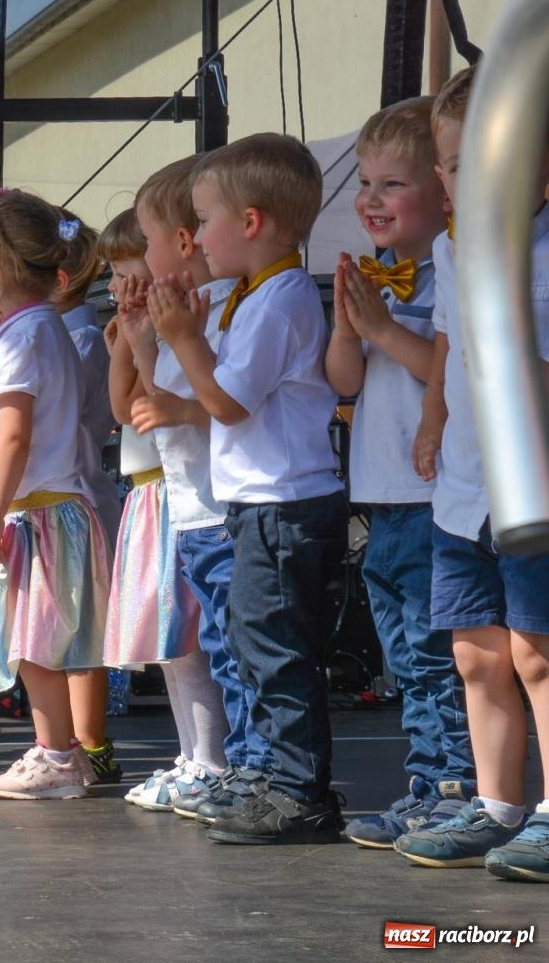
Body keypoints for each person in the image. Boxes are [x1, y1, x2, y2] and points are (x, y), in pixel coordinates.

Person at [147, 132, 347, 844]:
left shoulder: (279, 300)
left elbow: (227, 403)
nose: (197, 238)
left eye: (204, 221)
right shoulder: (251, 298)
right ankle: (276, 776)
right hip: (261, 503)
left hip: (284, 504)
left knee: (275, 646)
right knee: (255, 639)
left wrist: (185, 341)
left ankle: (299, 789)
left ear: (251, 222)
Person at [395, 66, 549, 880]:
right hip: (465, 490)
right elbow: (449, 343)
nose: (464, 180)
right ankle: (498, 806)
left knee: (538, 653)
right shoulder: (454, 248)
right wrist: (432, 416)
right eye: (453, 164)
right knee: (478, 654)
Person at [323, 96, 475, 848]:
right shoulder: (380, 273)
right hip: (381, 498)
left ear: (444, 191)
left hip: (430, 496)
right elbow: (343, 380)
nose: (372, 199)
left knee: (434, 651)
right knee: (404, 655)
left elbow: (446, 372)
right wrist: (351, 325)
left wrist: (384, 326)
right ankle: (427, 780)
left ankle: (458, 784)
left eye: (394, 183)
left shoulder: (446, 272)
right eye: (365, 182)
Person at [128, 155, 264, 823]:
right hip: (189, 507)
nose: (144, 255)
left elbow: (218, 403)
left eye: (147, 240)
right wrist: (138, 341)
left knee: (233, 648)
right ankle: (216, 763)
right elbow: (154, 403)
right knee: (208, 643)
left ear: (182, 244)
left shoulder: (216, 313)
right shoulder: (192, 316)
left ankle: (240, 767)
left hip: (219, 507)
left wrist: (177, 392)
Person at [0, 188, 111, 800]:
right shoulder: (44, 325)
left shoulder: (21, 338)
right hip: (51, 512)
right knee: (40, 640)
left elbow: (14, 435)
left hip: (37, 514)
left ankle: (55, 755)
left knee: (35, 644)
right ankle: (65, 749)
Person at [99, 206, 228, 811]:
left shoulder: (189, 323)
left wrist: (145, 337)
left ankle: (212, 759)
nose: (121, 290)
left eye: (131, 274)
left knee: (192, 638)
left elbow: (170, 398)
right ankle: (190, 754)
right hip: (151, 490)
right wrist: (126, 341)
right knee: (171, 643)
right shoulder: (143, 328)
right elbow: (122, 408)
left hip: (183, 489)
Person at [55, 211, 123, 787]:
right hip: (65, 497)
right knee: (62, 626)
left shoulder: (78, 339)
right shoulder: (70, 334)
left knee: (81, 630)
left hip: (77, 495)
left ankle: (91, 741)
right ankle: (68, 739)